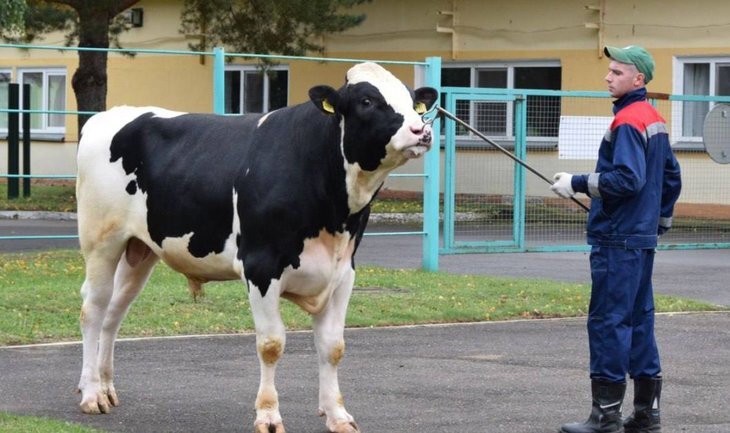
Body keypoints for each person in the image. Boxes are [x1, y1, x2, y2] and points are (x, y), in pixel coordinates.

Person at [550, 45, 682, 433]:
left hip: (617, 240)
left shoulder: (627, 120)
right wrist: (657, 224)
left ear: (638, 79)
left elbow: (627, 179)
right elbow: (671, 178)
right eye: (609, 71)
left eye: (617, 72)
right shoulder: (654, 119)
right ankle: (646, 415)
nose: (608, 77)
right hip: (639, 239)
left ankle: (605, 417)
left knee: (609, 323)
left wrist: (576, 182)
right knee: (639, 323)